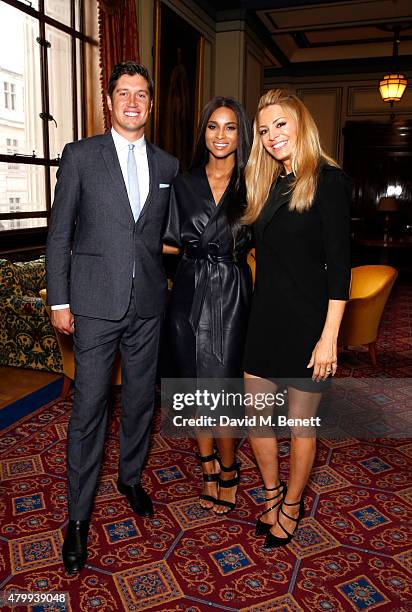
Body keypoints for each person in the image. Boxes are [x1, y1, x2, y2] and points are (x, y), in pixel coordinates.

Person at [46, 61, 179, 575]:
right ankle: (77, 520)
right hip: (94, 307)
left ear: (151, 104)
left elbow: (164, 236)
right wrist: (60, 300)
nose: (132, 102)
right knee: (88, 412)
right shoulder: (80, 156)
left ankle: (129, 478)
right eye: (122, 93)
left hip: (148, 307)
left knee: (143, 402)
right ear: (109, 100)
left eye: (141, 95)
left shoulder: (167, 166)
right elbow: (60, 232)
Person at [243, 89, 351, 548]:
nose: (272, 136)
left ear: (301, 123)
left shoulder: (328, 180)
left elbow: (341, 268)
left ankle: (292, 502)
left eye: (280, 125)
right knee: (257, 419)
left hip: (309, 325)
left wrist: (329, 338)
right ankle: (271, 492)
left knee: (302, 427)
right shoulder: (267, 183)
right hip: (264, 320)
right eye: (264, 131)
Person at [163, 96, 252, 514]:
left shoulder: (254, 183)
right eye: (213, 126)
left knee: (222, 388)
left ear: (241, 133)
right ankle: (207, 469)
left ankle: (230, 469)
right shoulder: (183, 182)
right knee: (191, 388)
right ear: (203, 132)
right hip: (187, 289)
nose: (221, 135)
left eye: (230, 127)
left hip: (231, 292)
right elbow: (165, 240)